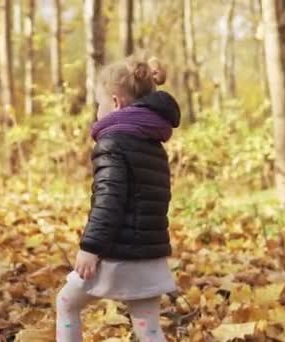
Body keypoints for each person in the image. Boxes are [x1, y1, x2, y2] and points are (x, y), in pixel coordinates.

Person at [55, 55, 181, 342]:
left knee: (66, 302)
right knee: (147, 327)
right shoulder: (153, 144)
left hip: (116, 255)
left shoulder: (112, 143)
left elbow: (109, 199)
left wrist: (90, 247)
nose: (97, 112)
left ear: (115, 103)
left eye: (99, 104)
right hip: (149, 255)